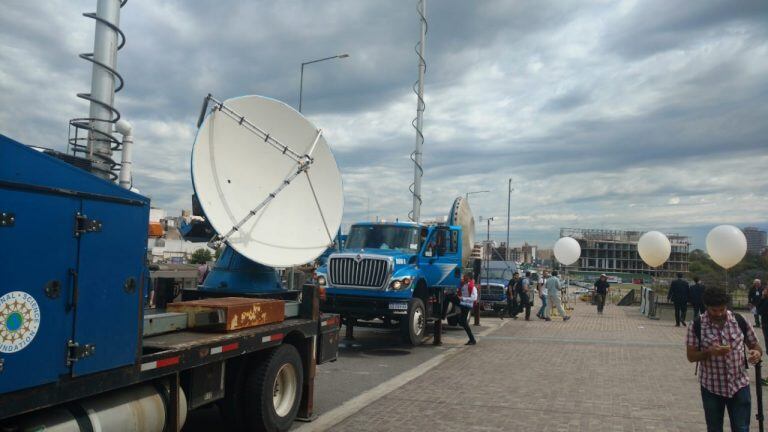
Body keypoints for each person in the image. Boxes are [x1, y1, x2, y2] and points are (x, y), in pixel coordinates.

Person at [686, 287, 762, 431]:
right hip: (711, 387)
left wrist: (756, 353)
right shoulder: (696, 325)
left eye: (722, 309)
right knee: (714, 428)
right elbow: (691, 356)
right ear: (707, 307)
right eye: (714, 311)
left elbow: (755, 346)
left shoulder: (739, 320)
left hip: (739, 385)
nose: (719, 314)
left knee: (742, 428)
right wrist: (709, 352)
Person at [456, 272, 477, 345]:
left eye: (466, 276)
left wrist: (462, 298)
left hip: (467, 305)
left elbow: (474, 298)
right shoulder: (464, 284)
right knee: (463, 322)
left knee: (463, 322)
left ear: (469, 278)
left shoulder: (472, 286)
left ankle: (472, 339)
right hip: (463, 304)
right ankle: (472, 339)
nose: (464, 277)